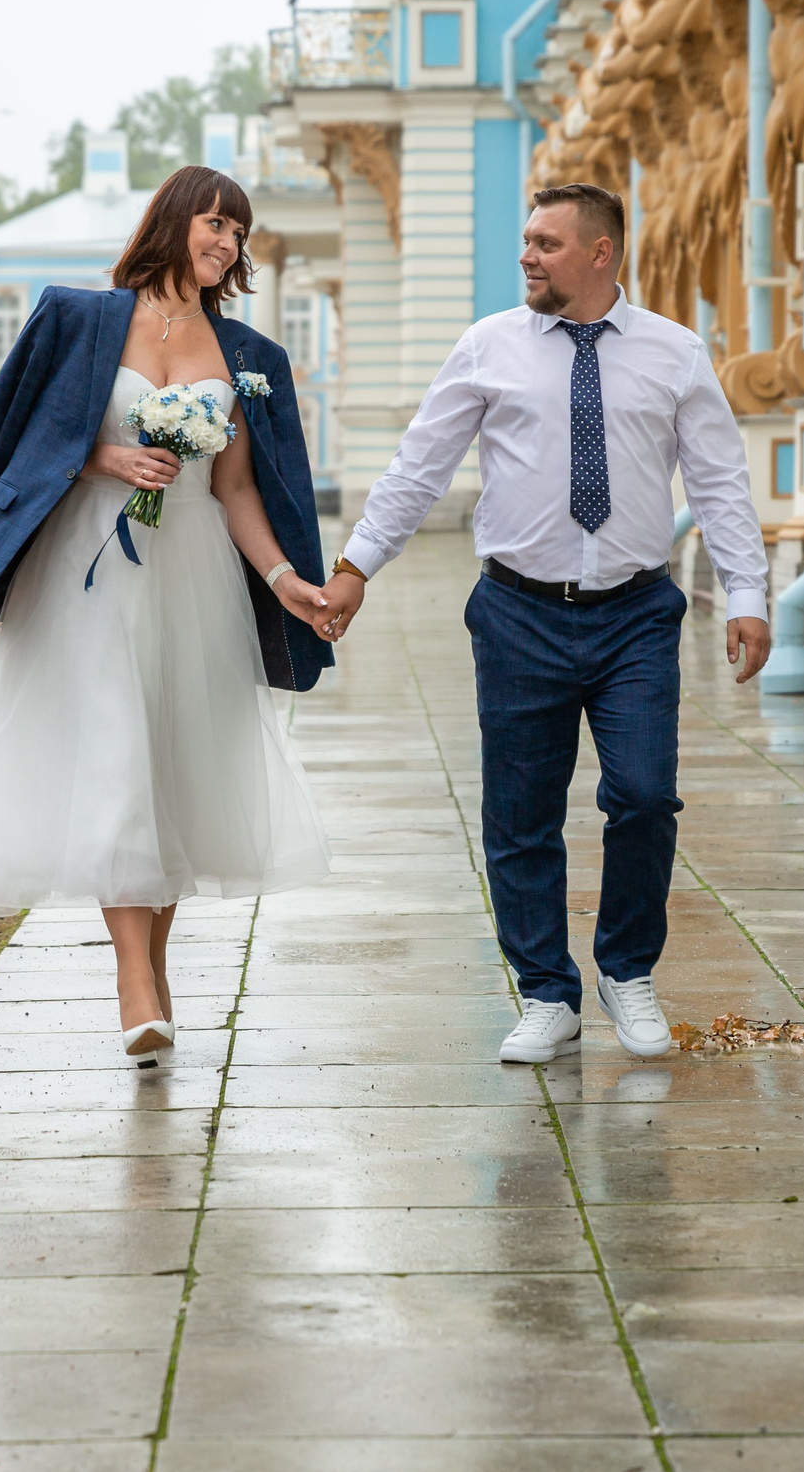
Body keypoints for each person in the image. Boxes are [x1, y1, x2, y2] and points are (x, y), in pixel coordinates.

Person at [314, 183, 773, 1064]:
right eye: (526, 240)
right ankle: (547, 994)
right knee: (521, 812)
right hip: (518, 611)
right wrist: (356, 566)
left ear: (601, 252)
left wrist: (746, 593)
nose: (526, 255)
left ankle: (626, 972)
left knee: (645, 796)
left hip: (636, 614)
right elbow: (420, 466)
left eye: (546, 243)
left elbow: (719, 480)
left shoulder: (676, 353)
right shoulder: (488, 346)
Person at [0, 165, 338, 1065]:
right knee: (114, 755)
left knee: (170, 766)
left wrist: (285, 577)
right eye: (215, 223)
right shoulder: (77, 319)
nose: (228, 243)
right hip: (88, 574)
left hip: (195, 577)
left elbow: (238, 489)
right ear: (172, 221)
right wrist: (103, 459)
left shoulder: (248, 354)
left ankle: (154, 970)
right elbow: (9, 433)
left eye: (239, 233)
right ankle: (134, 977)